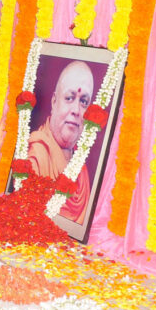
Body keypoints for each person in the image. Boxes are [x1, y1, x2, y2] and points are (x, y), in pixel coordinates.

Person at [28, 60, 95, 224]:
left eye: (83, 102)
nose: (76, 111)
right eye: (69, 98)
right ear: (53, 102)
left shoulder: (81, 170)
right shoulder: (35, 154)